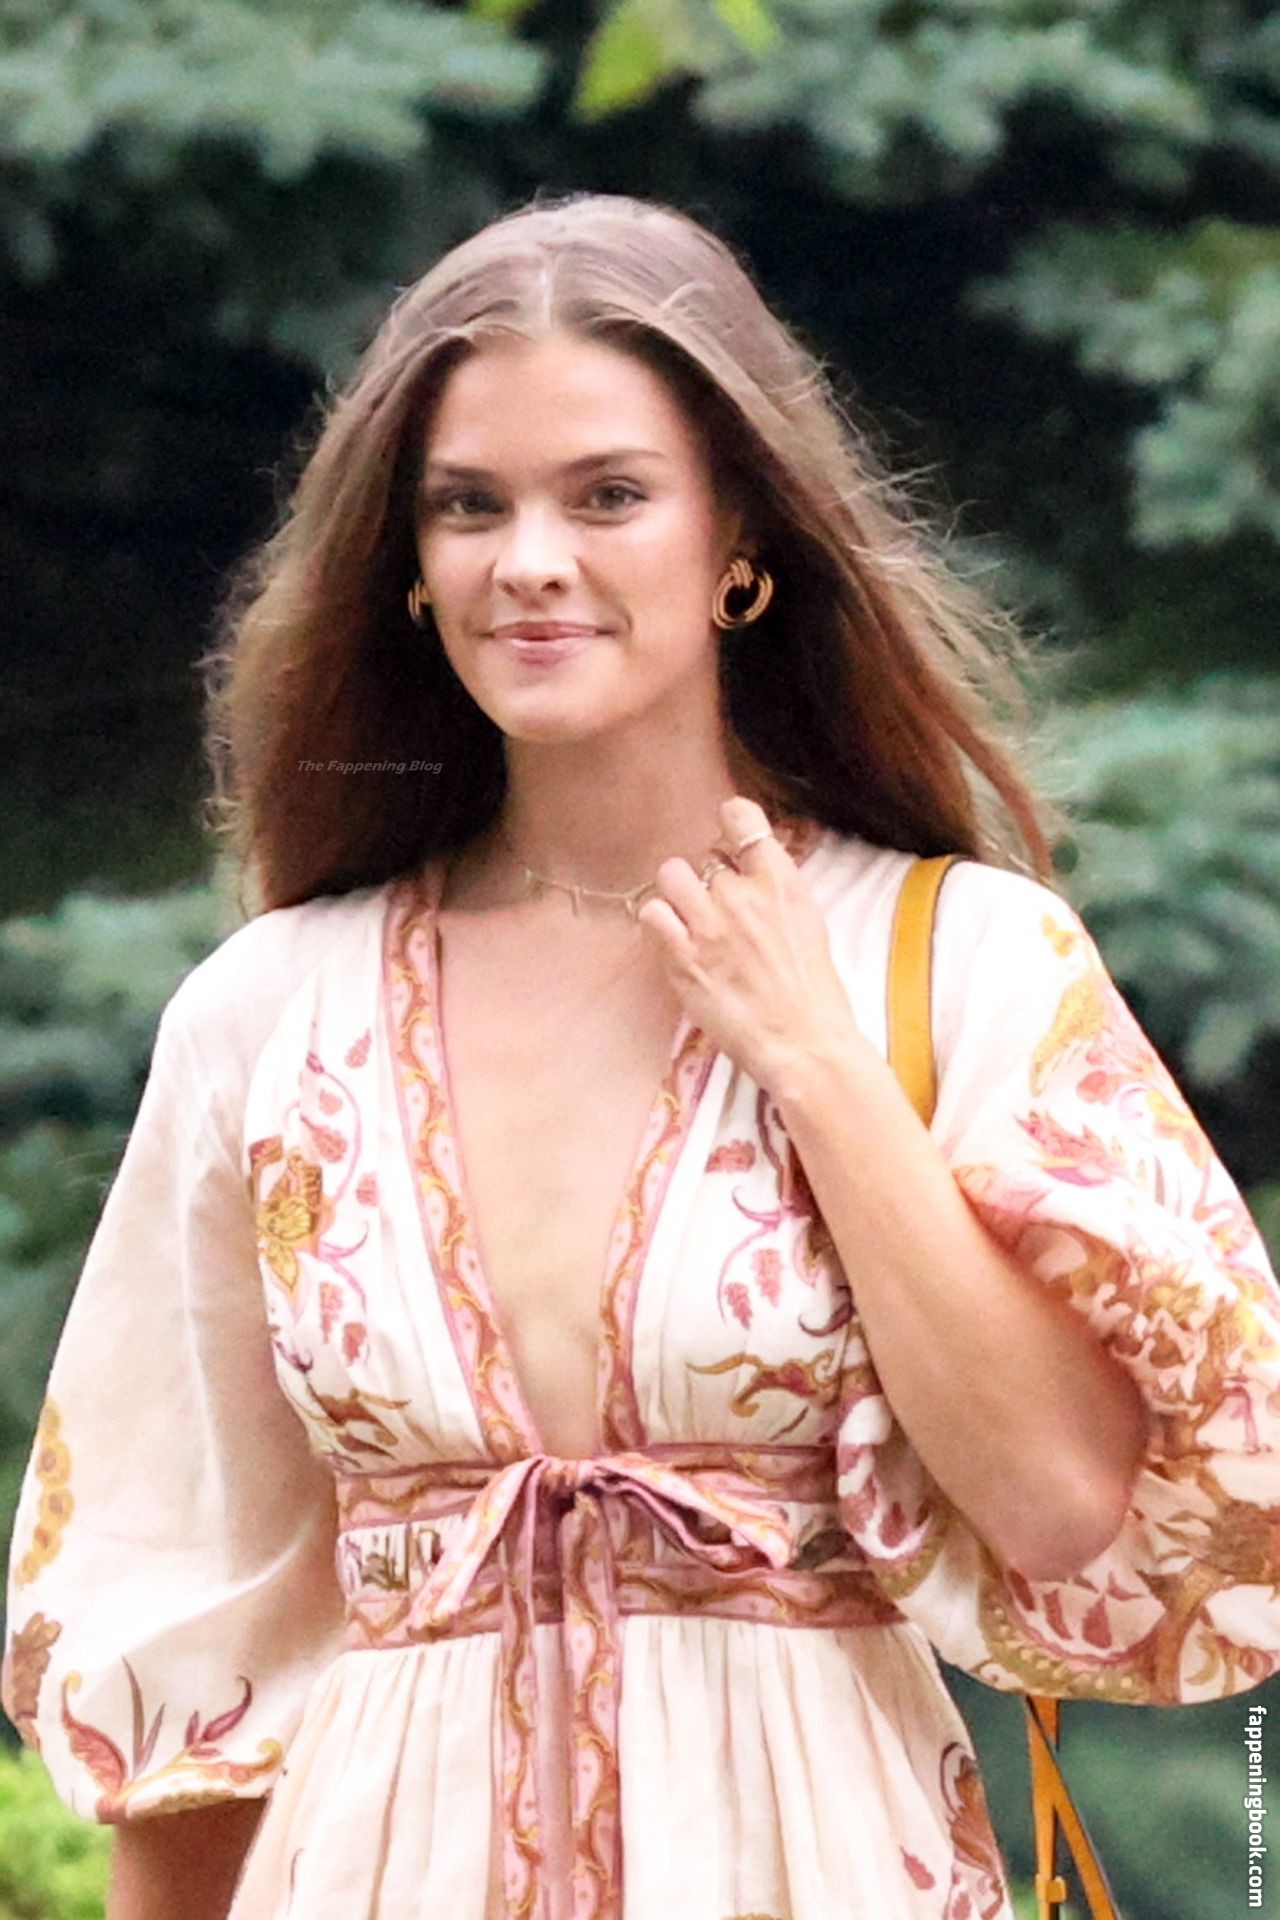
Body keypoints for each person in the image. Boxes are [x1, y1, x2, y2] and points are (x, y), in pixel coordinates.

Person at [4, 191, 1279, 1920]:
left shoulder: (964, 958)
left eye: (608, 495)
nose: (530, 559)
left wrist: (819, 1063)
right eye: (470, 505)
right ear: (409, 561)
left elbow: (1062, 1506)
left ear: (738, 535)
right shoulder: (267, 1014)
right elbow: (187, 1642)